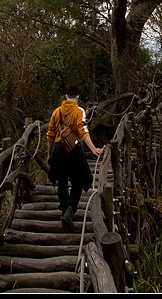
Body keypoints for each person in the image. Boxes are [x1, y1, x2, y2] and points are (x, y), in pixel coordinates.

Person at [47, 85, 103, 232]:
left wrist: (49, 154)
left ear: (66, 96)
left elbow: (50, 135)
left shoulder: (56, 112)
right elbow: (83, 131)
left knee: (62, 181)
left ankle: (65, 212)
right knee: (80, 180)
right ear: (77, 97)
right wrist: (93, 149)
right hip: (73, 150)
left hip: (58, 150)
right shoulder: (79, 111)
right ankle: (70, 211)